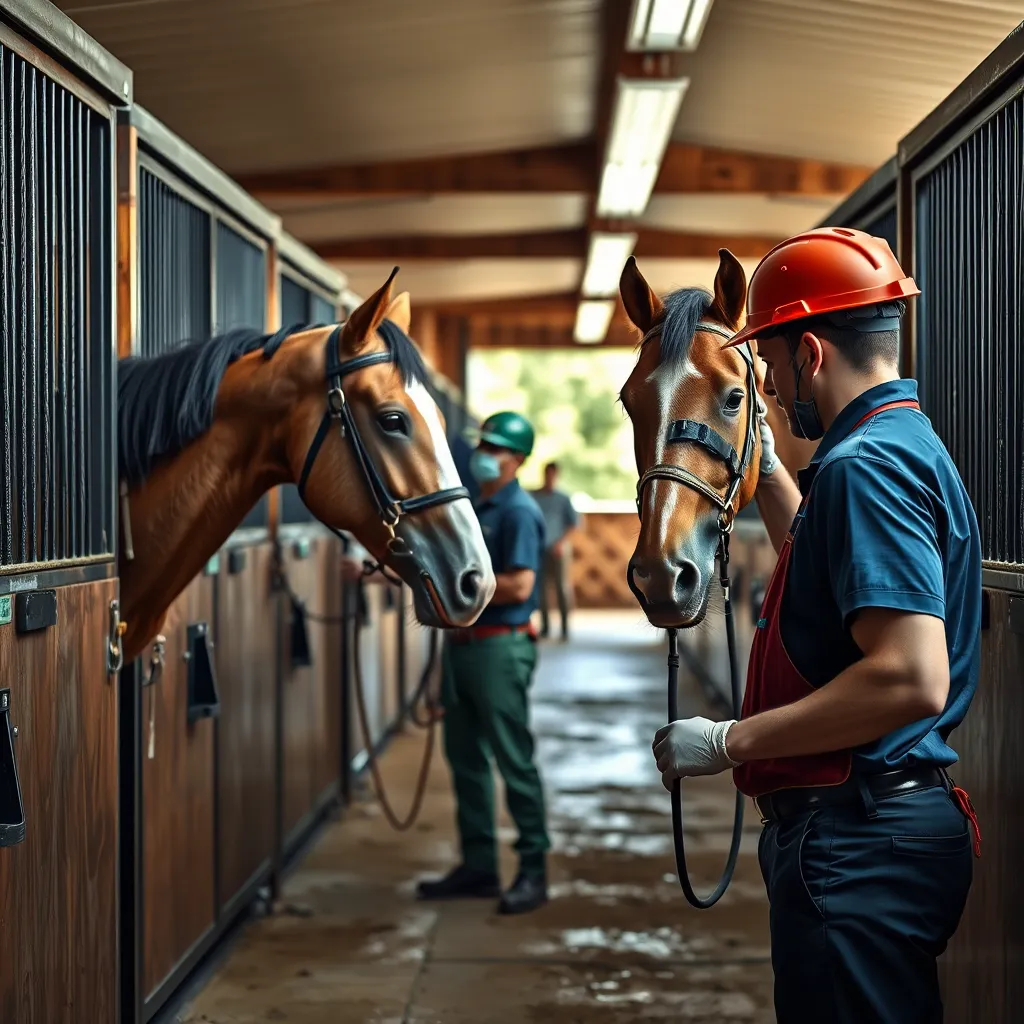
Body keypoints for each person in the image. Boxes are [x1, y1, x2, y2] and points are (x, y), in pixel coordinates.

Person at [651, 228, 982, 1024]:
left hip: (856, 841)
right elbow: (844, 571)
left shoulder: (863, 466)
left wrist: (731, 742)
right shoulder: (898, 444)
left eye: (767, 362)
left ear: (809, 352)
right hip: (875, 829)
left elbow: (909, 674)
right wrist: (766, 473)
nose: (764, 384)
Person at [417, 411, 551, 915]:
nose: (486, 456)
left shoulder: (517, 511)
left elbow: (519, 584)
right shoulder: (477, 506)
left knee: (512, 758)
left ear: (516, 460)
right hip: (464, 645)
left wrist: (458, 586)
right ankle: (479, 866)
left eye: (496, 449)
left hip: (500, 646)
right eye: (485, 446)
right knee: (465, 759)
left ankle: (533, 869)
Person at [530, 461, 579, 640]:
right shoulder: (534, 496)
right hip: (539, 548)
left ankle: (565, 627)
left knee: (561, 587)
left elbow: (574, 524)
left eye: (553, 475)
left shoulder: (563, 498)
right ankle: (545, 626)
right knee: (542, 587)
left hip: (558, 548)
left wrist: (561, 542)